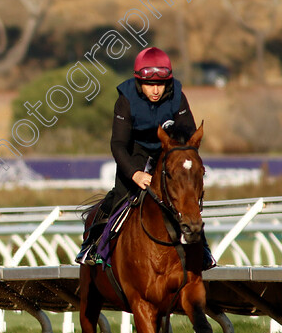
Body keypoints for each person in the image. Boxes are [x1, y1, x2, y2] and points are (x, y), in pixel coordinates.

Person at [76, 47, 214, 268]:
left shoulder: (177, 95)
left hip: (167, 151)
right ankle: (92, 245)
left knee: (186, 198)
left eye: (161, 84)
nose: (156, 90)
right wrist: (135, 173)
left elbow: (188, 135)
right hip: (135, 152)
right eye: (150, 85)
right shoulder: (126, 99)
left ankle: (203, 249)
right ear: (139, 82)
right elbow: (118, 144)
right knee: (119, 196)